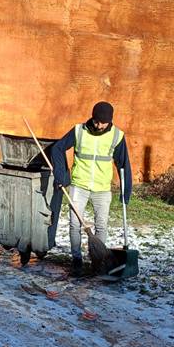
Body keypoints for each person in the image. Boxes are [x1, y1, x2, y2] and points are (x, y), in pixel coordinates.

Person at [50, 101, 132, 274]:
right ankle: (77, 259)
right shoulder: (79, 131)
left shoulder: (116, 136)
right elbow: (57, 149)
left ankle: (99, 260)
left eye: (103, 122)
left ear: (110, 121)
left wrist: (126, 191)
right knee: (74, 224)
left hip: (102, 189)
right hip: (79, 185)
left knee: (101, 226)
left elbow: (123, 164)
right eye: (96, 121)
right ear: (92, 117)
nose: (99, 125)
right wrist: (61, 176)